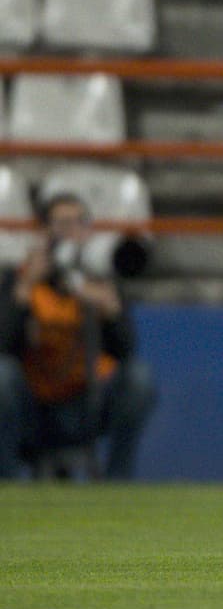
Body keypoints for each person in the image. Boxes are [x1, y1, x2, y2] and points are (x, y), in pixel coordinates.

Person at [0, 192, 157, 479]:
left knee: (139, 377)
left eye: (78, 223)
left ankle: (117, 484)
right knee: (2, 374)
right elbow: (4, 347)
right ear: (44, 232)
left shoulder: (101, 280)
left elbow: (126, 351)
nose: (70, 231)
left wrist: (110, 309)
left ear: (88, 231)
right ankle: (6, 483)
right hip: (33, 407)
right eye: (61, 223)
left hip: (86, 405)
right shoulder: (19, 280)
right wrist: (23, 290)